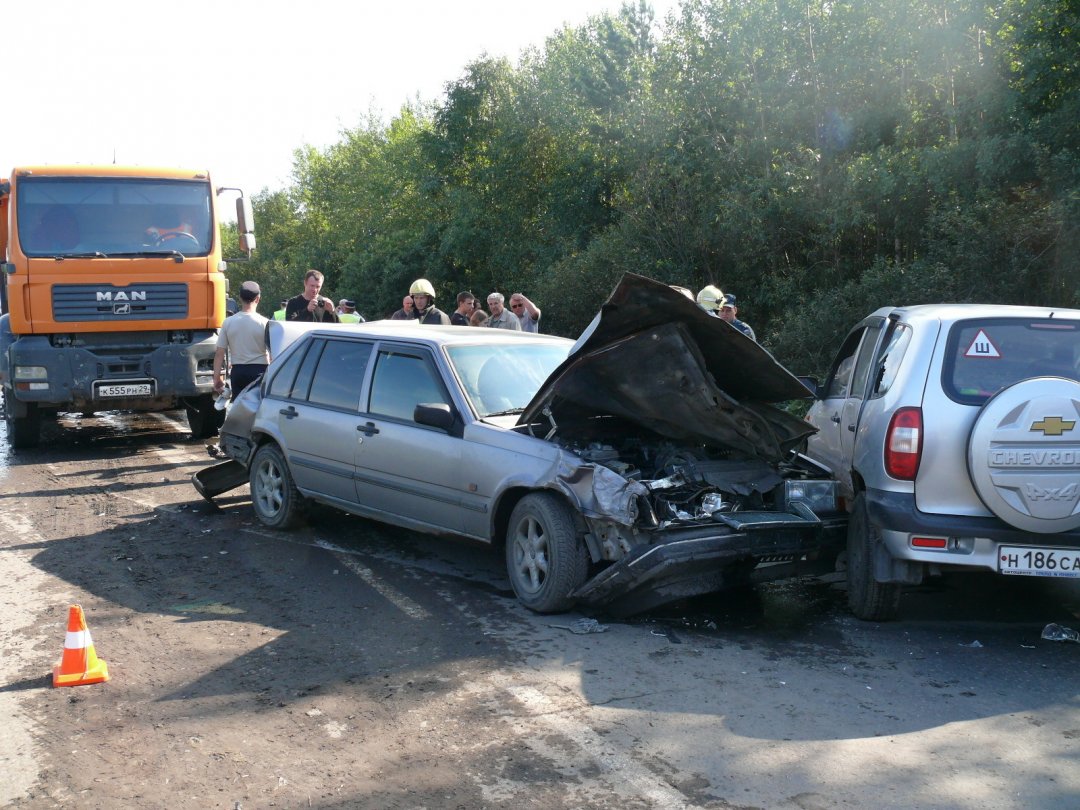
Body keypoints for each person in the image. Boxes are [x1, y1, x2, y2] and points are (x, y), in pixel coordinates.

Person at [213, 281, 269, 401]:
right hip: (260, 372)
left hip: (238, 371)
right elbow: (273, 353)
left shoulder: (228, 322)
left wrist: (217, 378)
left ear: (240, 298)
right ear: (258, 299)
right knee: (258, 409)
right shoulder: (265, 323)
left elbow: (219, 353)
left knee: (239, 409)